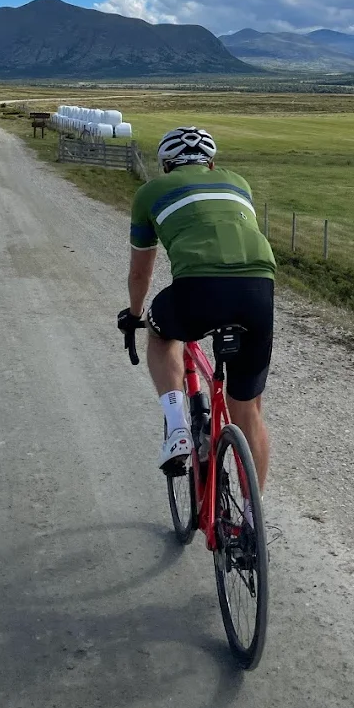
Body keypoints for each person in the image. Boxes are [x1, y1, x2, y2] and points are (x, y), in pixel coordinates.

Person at [119, 126, 276, 489]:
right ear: (212, 163)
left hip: (198, 287)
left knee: (162, 334)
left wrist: (134, 314)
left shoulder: (150, 192)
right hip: (258, 288)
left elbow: (140, 271)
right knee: (248, 408)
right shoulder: (238, 182)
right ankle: (252, 525)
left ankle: (177, 429)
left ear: (166, 165)